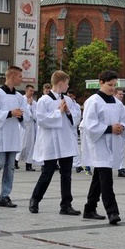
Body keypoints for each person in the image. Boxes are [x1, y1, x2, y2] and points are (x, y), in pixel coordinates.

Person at [29, 71, 81, 216]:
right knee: (47, 172)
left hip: (65, 141)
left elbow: (75, 119)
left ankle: (66, 205)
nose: (68, 86)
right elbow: (41, 120)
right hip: (50, 142)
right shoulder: (44, 100)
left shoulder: (68, 100)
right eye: (67, 83)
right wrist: (59, 112)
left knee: (66, 174)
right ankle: (35, 199)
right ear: (60, 83)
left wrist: (69, 113)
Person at [81, 70, 125, 225]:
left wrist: (122, 127)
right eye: (110, 85)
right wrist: (109, 129)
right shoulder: (93, 101)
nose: (112, 88)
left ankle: (89, 208)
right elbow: (89, 125)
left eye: (114, 85)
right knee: (106, 179)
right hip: (99, 144)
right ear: (101, 82)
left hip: (113, 143)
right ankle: (112, 211)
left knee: (98, 179)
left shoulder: (117, 102)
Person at [0, 65, 29, 208]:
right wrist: (10, 113)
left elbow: (26, 114)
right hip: (0, 135)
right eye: (20, 76)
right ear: (12, 76)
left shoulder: (20, 97)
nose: (22, 79)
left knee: (10, 167)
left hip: (13, 134)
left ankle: (4, 196)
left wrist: (20, 116)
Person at [18, 84, 38, 172]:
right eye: (30, 91)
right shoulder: (21, 100)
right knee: (22, 144)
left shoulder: (34, 102)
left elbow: (35, 115)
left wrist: (31, 108)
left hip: (31, 126)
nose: (32, 93)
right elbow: (24, 113)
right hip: (23, 125)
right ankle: (15, 161)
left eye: (33, 91)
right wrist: (29, 106)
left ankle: (28, 164)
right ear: (26, 91)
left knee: (30, 145)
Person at [115, 88, 125, 178]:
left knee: (120, 151)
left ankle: (121, 168)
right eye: (119, 94)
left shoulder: (123, 107)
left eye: (122, 94)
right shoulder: (112, 104)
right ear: (115, 94)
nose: (121, 95)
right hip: (111, 130)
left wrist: (123, 126)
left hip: (120, 130)